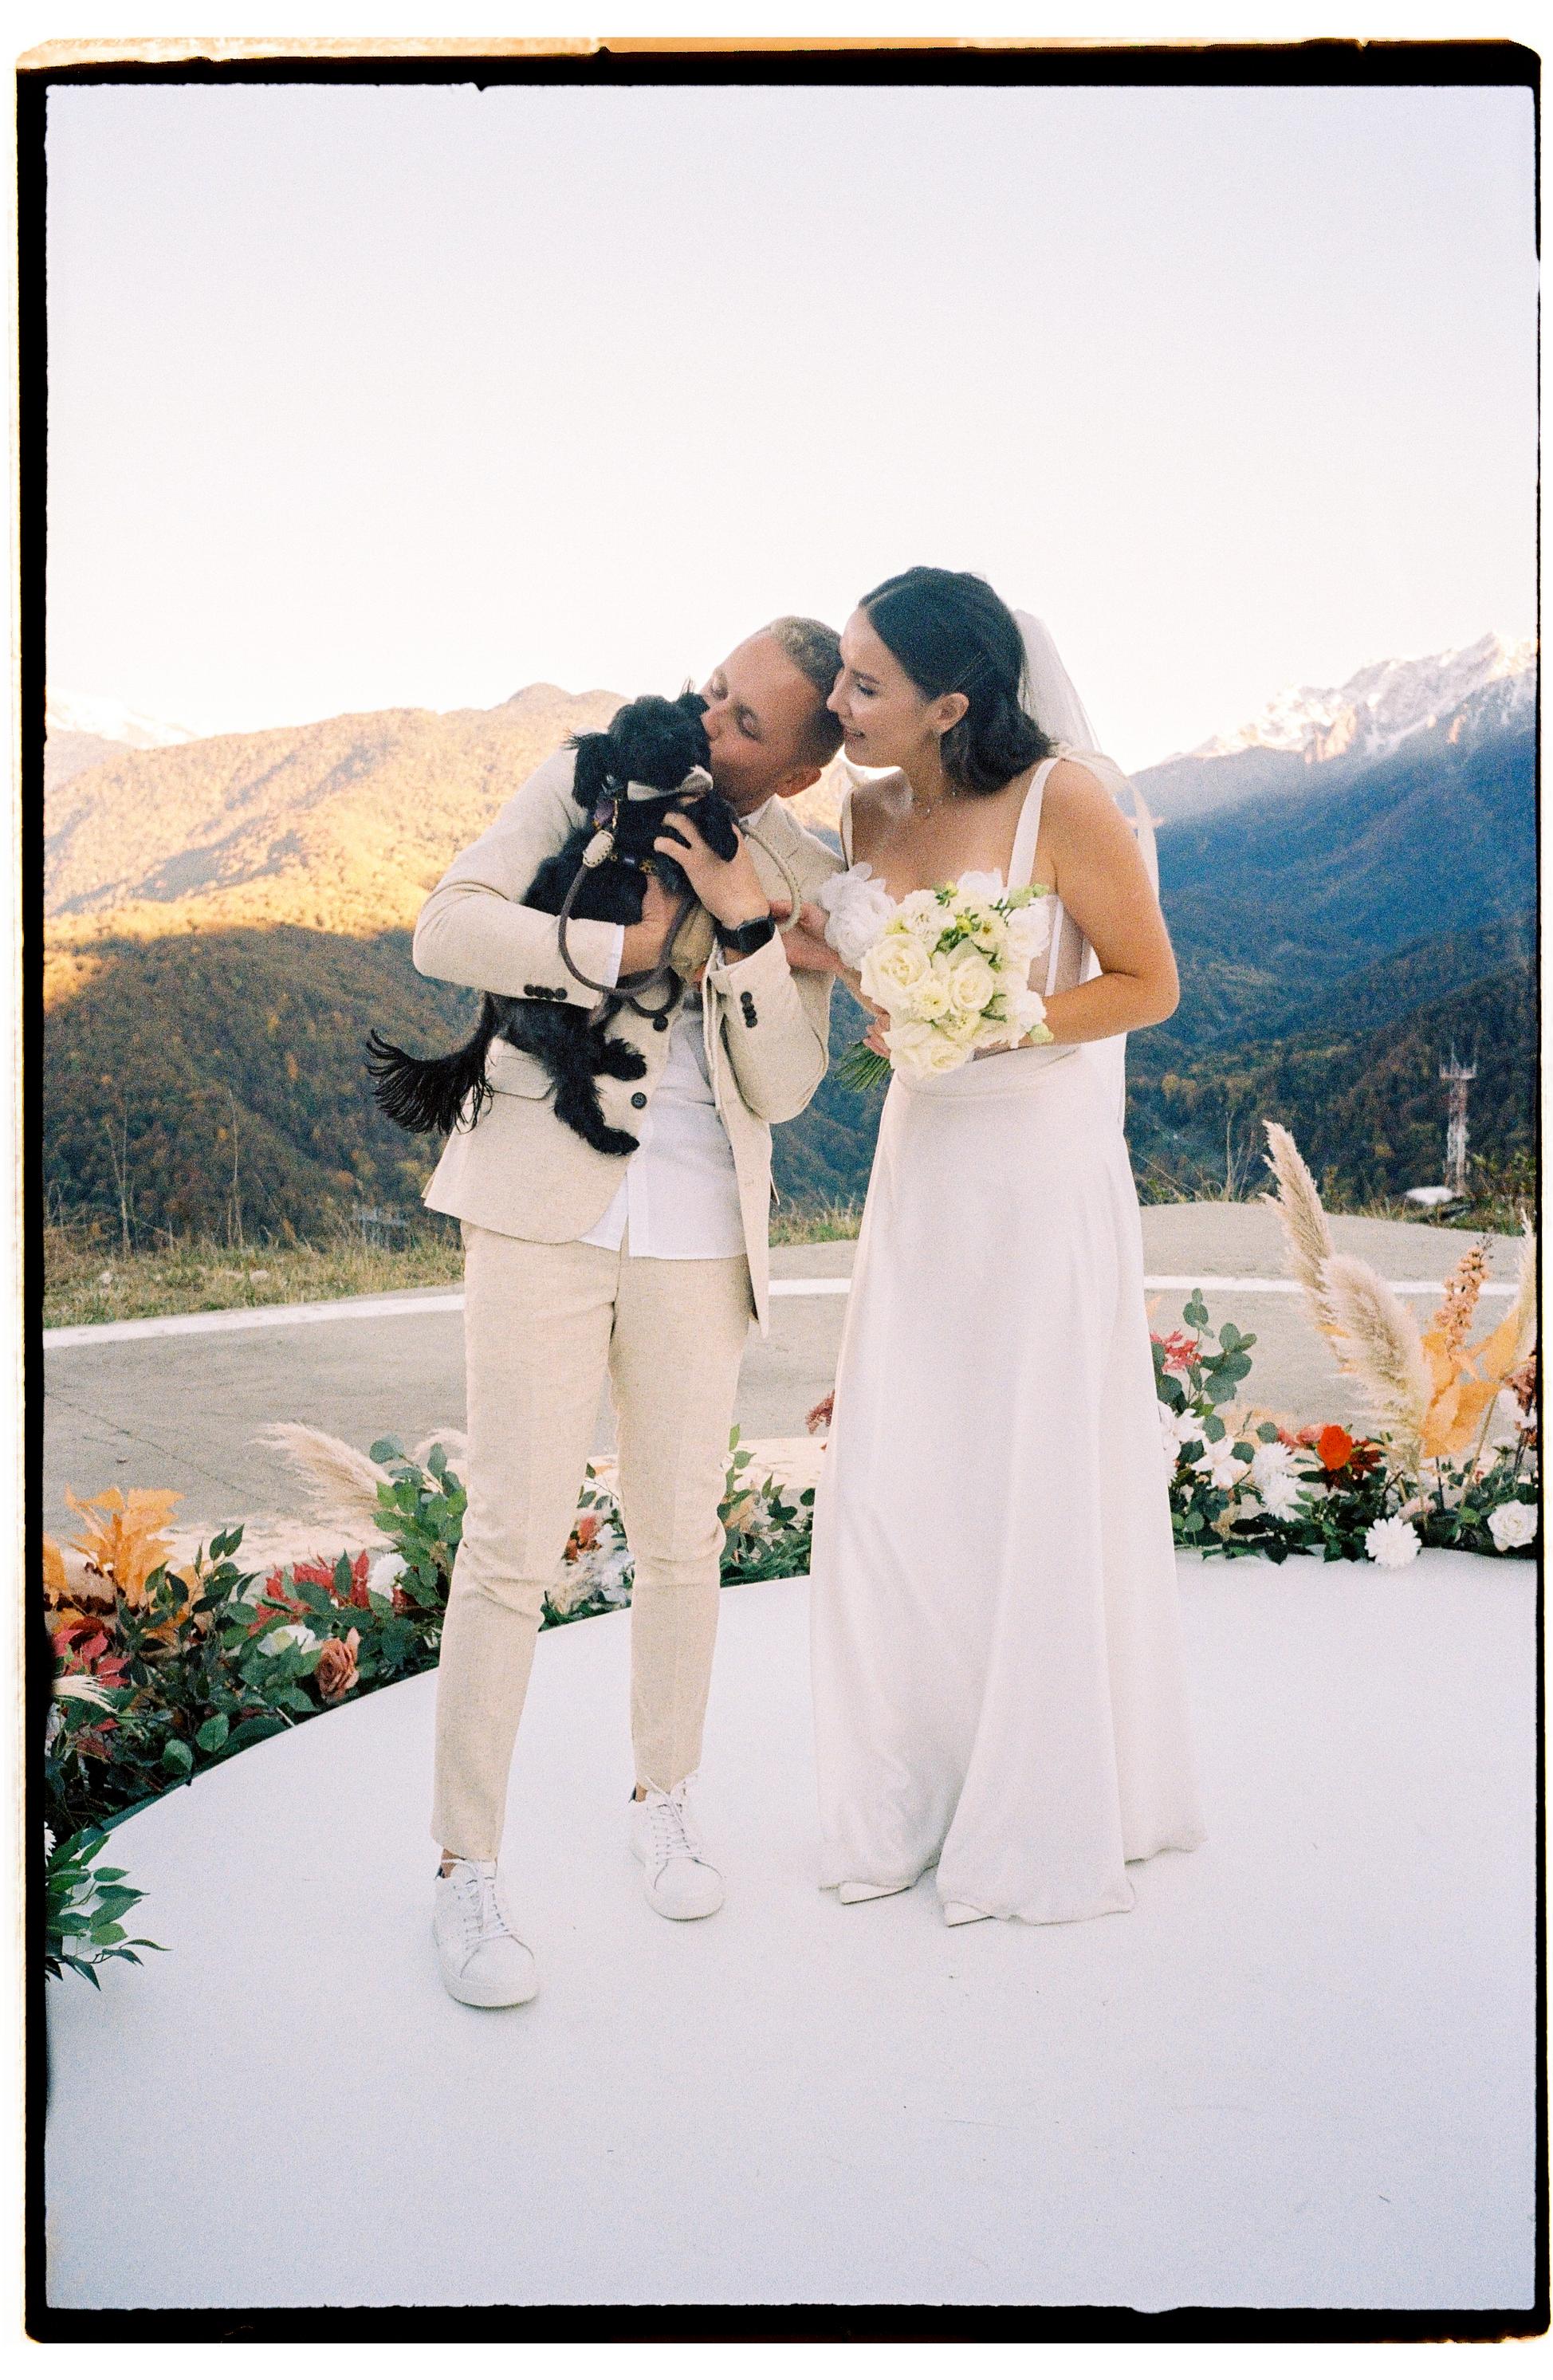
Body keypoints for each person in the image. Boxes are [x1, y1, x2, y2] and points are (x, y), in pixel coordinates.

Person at [414, 618, 844, 2004]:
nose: (706, 721)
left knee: (680, 1534)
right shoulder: (587, 770)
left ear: (800, 767)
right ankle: (466, 1867)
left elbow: (786, 1087)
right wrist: (617, 943)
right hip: (540, 1199)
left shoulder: (799, 868)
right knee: (508, 1540)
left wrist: (745, 923)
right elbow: (445, 924)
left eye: (745, 721)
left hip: (699, 1227)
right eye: (714, 689)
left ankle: (667, 1796)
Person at [783, 567, 1206, 1926]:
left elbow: (1150, 983)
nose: (838, 701)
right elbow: (880, 971)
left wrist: (1005, 1021)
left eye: (866, 684)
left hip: (1036, 1169)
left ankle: (1038, 1795)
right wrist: (853, 976)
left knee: (1026, 1465)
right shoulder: (865, 807)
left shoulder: (1061, 800)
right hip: (925, 1167)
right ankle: (909, 1783)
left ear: (950, 705)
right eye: (842, 671)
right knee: (904, 1469)